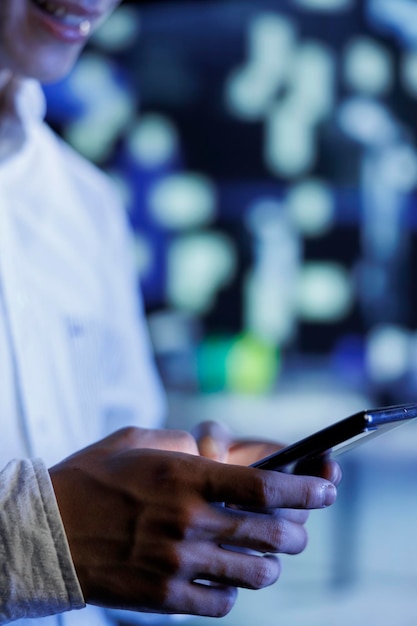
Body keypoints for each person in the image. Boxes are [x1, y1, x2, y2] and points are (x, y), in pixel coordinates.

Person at [0, 1, 341, 625]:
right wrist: (39, 542)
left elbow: (114, 533)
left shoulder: (87, 206)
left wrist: (184, 505)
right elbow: (70, 538)